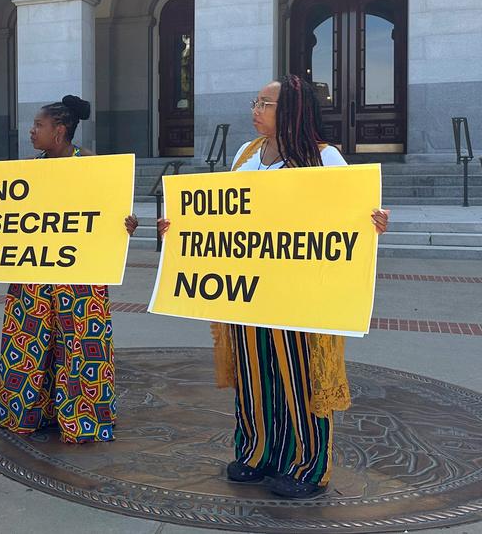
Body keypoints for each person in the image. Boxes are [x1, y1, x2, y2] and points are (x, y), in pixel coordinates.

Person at [157, 75, 390, 498]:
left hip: (300, 295)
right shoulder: (247, 154)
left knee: (300, 378)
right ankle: (256, 451)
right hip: (250, 292)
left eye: (265, 103)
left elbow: (345, 219)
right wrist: (182, 227)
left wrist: (369, 222)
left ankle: (307, 463)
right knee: (254, 373)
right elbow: (223, 215)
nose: (255, 110)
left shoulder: (325, 158)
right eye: (256, 102)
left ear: (292, 111)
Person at [0, 95, 139, 443]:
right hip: (34, 276)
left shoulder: (93, 166)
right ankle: (27, 413)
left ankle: (84, 418)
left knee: (81, 346)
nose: (31, 131)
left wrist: (125, 224)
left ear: (60, 131)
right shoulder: (27, 172)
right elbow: (3, 217)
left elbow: (113, 214)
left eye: (38, 125)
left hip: (80, 276)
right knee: (29, 342)